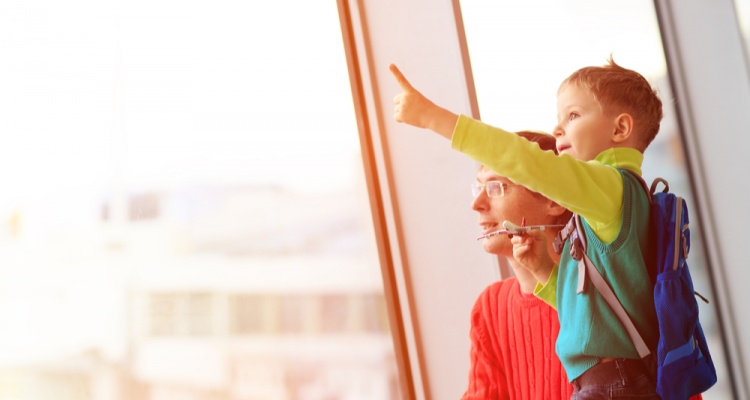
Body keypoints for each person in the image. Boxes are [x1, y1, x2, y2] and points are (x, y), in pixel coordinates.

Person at [389, 58, 669, 399]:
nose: (558, 129)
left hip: (611, 384)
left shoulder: (615, 188)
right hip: (608, 382)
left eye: (573, 115)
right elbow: (592, 312)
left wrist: (433, 117)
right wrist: (544, 271)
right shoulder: (606, 215)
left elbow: (525, 162)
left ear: (620, 129)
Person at [463, 130, 573, 400]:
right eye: (479, 187)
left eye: (495, 187)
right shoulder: (490, 307)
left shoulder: (601, 293)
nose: (476, 204)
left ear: (553, 200)